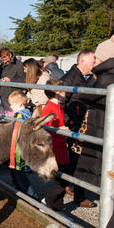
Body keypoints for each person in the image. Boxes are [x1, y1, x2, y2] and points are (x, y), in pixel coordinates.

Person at [75, 33, 114, 189]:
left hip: (103, 124)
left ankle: (108, 205)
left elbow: (87, 96)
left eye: (97, 58)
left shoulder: (107, 77)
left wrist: (92, 79)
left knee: (105, 168)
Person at [60, 49, 97, 207]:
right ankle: (78, 195)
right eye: (92, 62)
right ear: (82, 61)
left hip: (81, 125)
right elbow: (60, 102)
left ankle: (68, 185)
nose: (94, 65)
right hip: (74, 127)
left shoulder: (86, 78)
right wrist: (67, 124)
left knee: (74, 159)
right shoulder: (69, 79)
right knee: (79, 159)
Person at [41, 79, 73, 212]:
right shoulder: (49, 109)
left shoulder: (57, 107)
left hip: (60, 146)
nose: (66, 94)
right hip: (56, 148)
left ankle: (57, 206)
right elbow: (47, 129)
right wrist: (61, 130)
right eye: (64, 91)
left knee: (62, 176)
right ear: (57, 92)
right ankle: (47, 201)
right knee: (63, 177)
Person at [7, 91, 40, 200]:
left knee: (20, 176)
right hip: (17, 149)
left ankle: (33, 199)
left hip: (18, 151)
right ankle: (19, 193)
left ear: (20, 104)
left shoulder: (21, 116)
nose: (11, 106)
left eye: (12, 104)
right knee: (15, 173)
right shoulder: (25, 115)